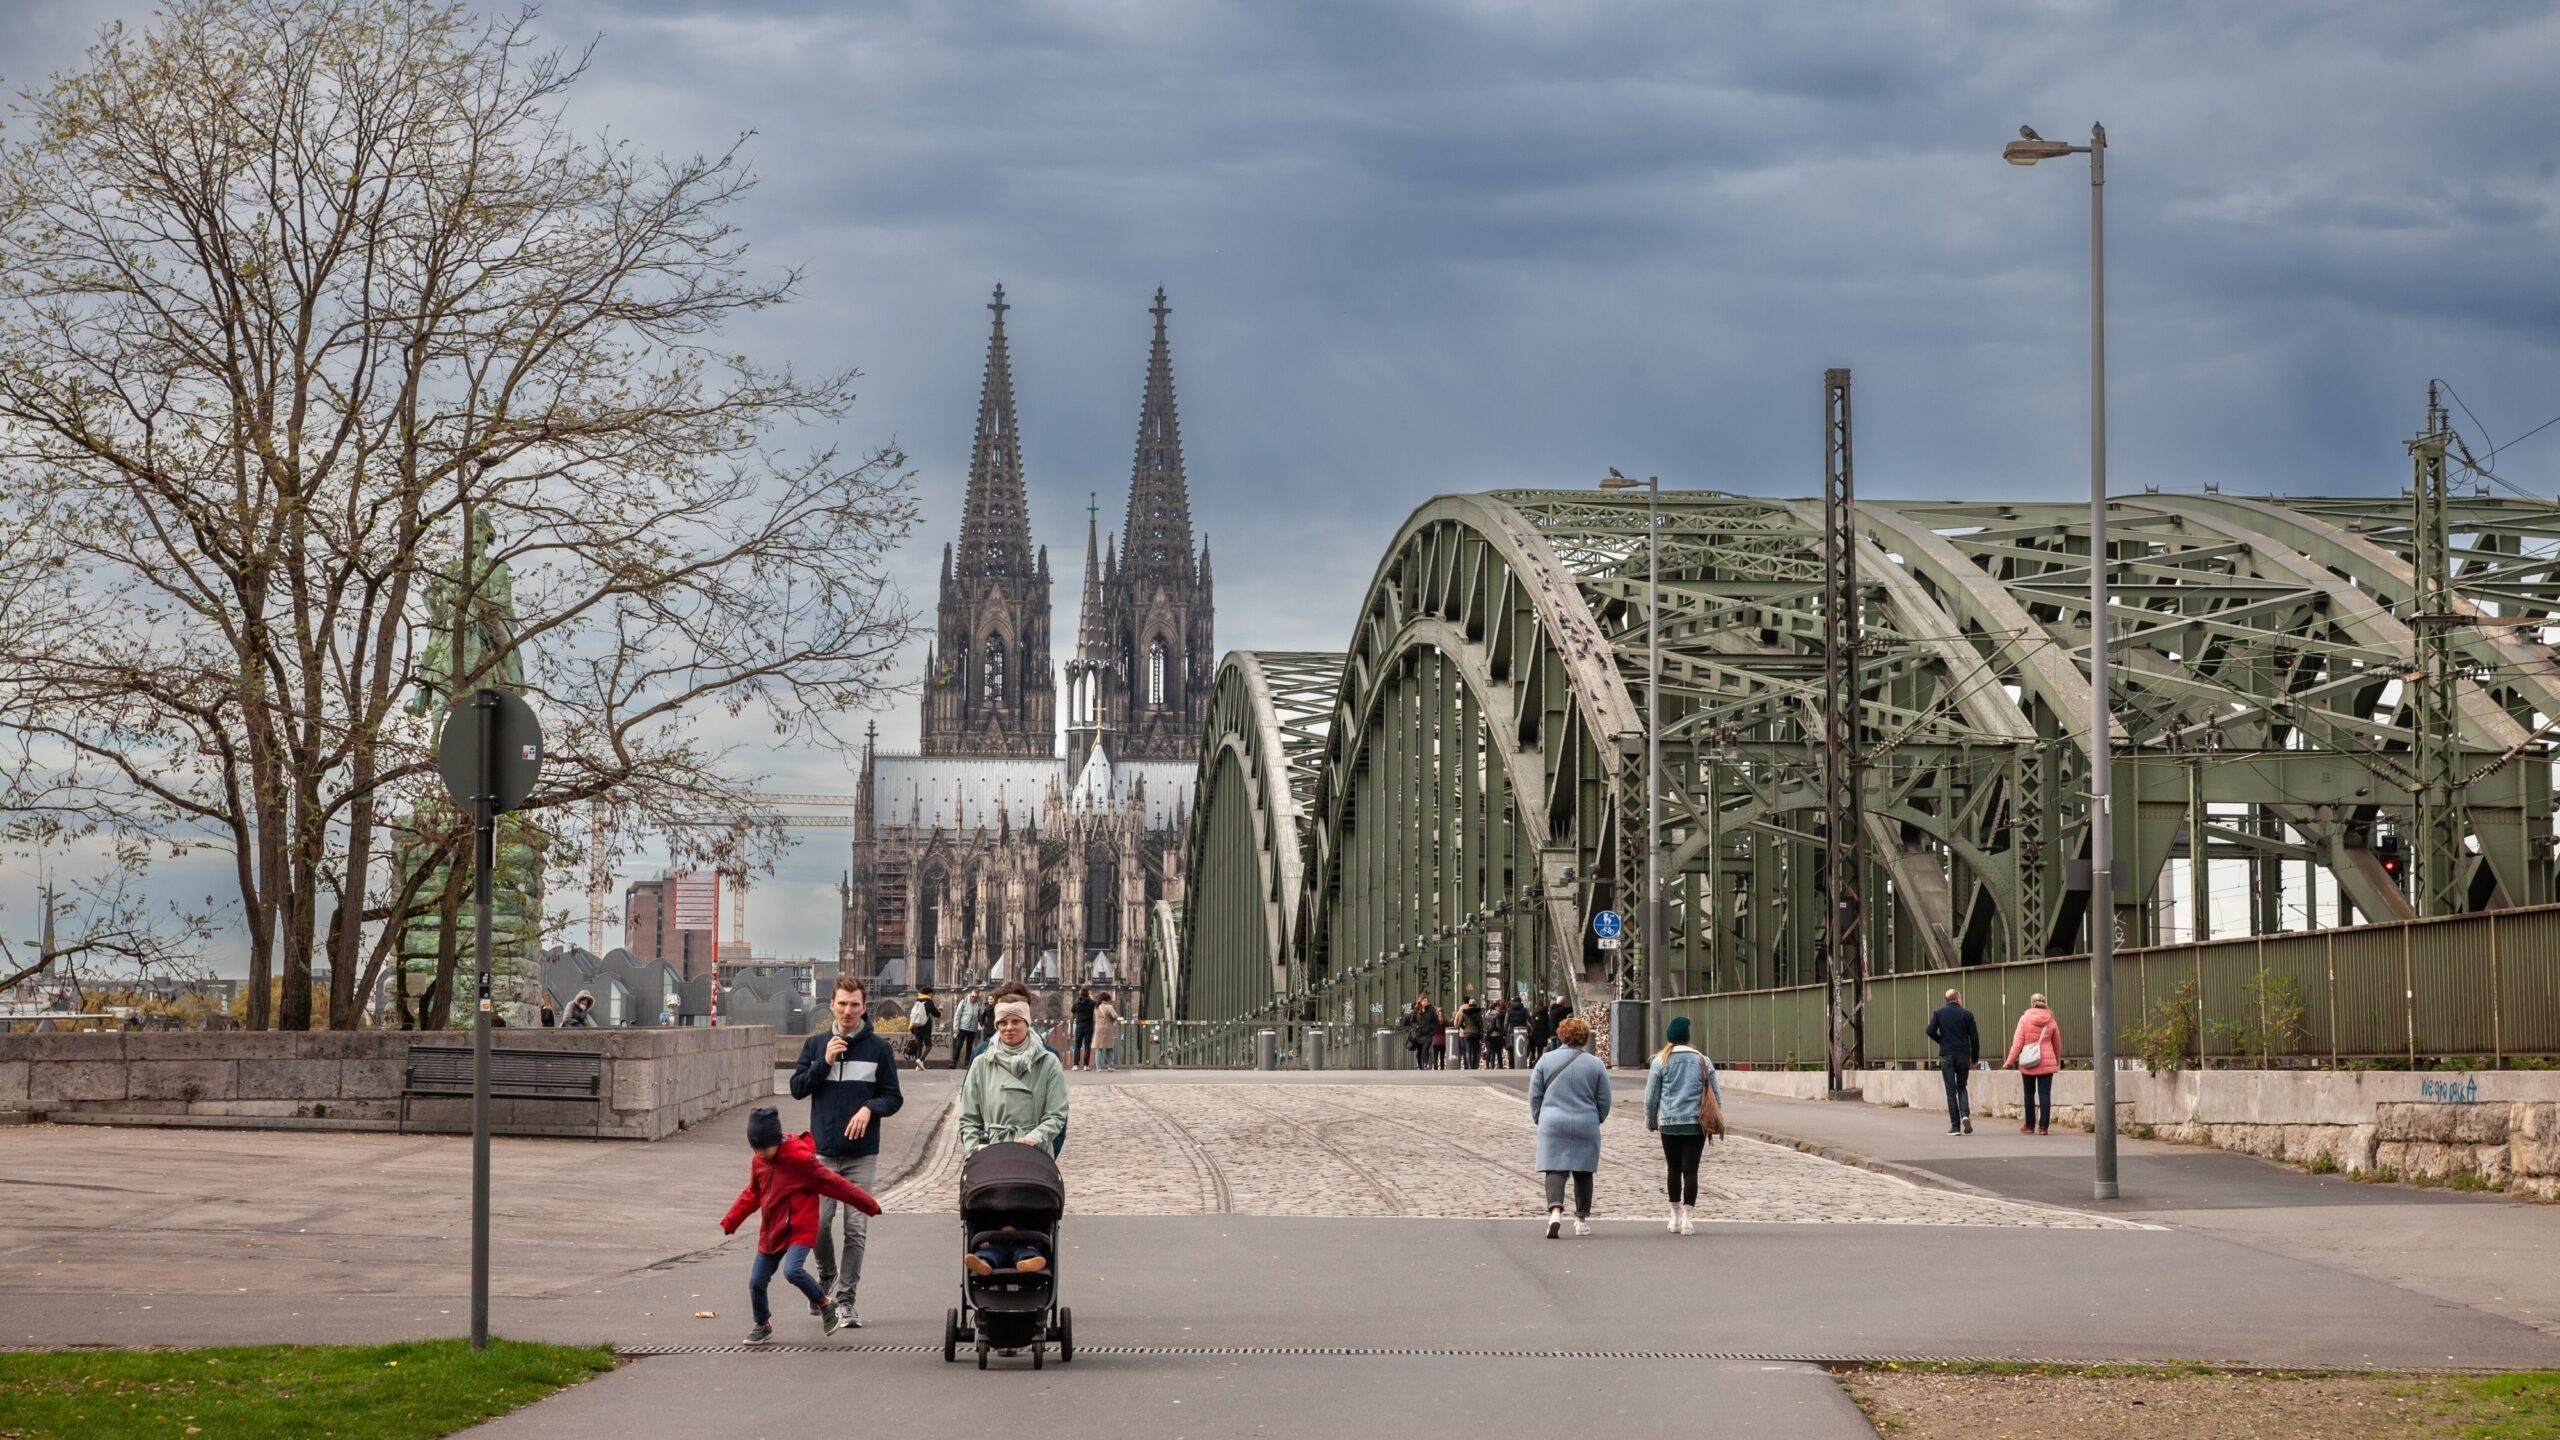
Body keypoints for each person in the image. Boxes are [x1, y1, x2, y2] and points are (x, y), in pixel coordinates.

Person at [789, 974, 904, 1330]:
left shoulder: (879, 1050)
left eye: (855, 1004)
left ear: (864, 1007)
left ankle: (846, 1300)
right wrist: (823, 1062)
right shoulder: (815, 1045)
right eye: (842, 1003)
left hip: (861, 1154)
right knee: (820, 1225)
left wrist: (870, 1108)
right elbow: (797, 1088)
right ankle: (827, 1274)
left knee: (855, 1228)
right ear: (832, 1006)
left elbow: (893, 1097)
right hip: (823, 1152)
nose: (848, 1010)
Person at [719, 1105, 880, 1345]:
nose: (760, 1153)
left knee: (792, 1271)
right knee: (756, 1282)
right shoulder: (759, 1161)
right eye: (756, 1148)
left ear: (776, 1139)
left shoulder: (800, 1159)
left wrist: (867, 1204)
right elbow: (752, 1193)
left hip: (799, 1229)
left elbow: (834, 1184)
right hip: (772, 1231)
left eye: (764, 1147)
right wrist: (732, 1219)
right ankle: (762, 1323)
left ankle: (826, 1304)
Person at [1528, 1016, 1611, 1237]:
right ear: (1584, 1037)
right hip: (1586, 1121)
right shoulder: (1596, 1064)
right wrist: (1597, 1119)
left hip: (1553, 1121)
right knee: (1583, 1171)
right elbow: (1604, 1099)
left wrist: (1540, 1118)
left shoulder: (1545, 1061)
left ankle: (1555, 1211)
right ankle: (1581, 1220)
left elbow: (1535, 1095)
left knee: (1555, 1168)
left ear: (1561, 1035)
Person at [959, 997, 1069, 1157]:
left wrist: (1035, 1139)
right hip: (991, 1153)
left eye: (1016, 1021)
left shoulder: (1048, 1061)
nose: (1009, 1028)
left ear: (1027, 1023)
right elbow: (968, 1118)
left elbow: (1057, 1114)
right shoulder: (981, 1063)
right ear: (996, 1026)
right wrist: (974, 1150)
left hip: (1034, 1152)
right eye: (1003, 1023)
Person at [1643, 1016, 1723, 1235]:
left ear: (1670, 1038)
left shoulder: (1660, 1061)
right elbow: (1716, 1095)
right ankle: (1688, 1219)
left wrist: (1651, 1121)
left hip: (1669, 1123)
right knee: (1691, 1171)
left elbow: (1651, 1097)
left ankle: (1674, 1216)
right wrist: (1715, 1118)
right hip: (1696, 1124)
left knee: (1673, 1168)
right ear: (1687, 1039)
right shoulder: (1702, 1060)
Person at [2004, 992, 2063, 1135]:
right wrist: (2056, 1061)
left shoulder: (2025, 1019)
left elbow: (2018, 1043)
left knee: (2029, 1094)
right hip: (2047, 1061)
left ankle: (2029, 1125)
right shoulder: (2051, 1020)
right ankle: (2044, 1127)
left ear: (2032, 1003)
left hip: (2028, 1061)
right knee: (2045, 1095)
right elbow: (2057, 1044)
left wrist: (2009, 1061)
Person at [1927, 988, 1981, 1135]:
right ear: (1958, 998)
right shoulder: (1967, 1014)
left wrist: (1942, 1041)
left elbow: (1929, 1031)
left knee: (1950, 1091)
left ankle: (1955, 1126)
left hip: (1946, 1055)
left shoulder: (1939, 1013)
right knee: (1962, 1086)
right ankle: (1965, 1115)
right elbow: (1974, 1039)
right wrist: (1974, 1059)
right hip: (1963, 1055)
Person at [949, 989, 984, 1070]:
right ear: (969, 995)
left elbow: (980, 1016)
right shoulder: (963, 1002)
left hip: (972, 1029)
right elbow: (957, 1015)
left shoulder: (978, 1004)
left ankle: (967, 1063)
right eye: (972, 996)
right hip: (962, 1028)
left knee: (969, 1047)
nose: (973, 998)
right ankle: (954, 1062)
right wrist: (956, 1027)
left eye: (975, 997)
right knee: (958, 1045)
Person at [1402, 994, 1436, 1071]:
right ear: (1420, 1001)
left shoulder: (1431, 1010)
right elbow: (1412, 1021)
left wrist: (1432, 1028)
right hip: (1419, 1034)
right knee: (1420, 1051)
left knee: (1426, 1049)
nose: (1426, 1002)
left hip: (1428, 1034)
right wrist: (1416, 1026)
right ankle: (1420, 1065)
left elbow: (1435, 1021)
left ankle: (1425, 1064)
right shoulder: (1416, 1011)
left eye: (1427, 1000)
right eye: (1424, 1000)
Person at [906, 989, 940, 1067]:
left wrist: (912, 1029)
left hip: (916, 1027)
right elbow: (937, 1014)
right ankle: (920, 1060)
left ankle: (918, 1066)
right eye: (932, 994)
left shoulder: (917, 1001)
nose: (932, 996)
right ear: (929, 993)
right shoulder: (929, 1002)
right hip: (925, 1027)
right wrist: (940, 1009)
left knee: (919, 1046)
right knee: (929, 1045)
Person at [1071, 988, 1098, 1071]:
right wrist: (1091, 997)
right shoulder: (1091, 1003)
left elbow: (1073, 1010)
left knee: (1077, 1046)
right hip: (1088, 1027)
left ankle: (1076, 1065)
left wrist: (1078, 999)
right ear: (1088, 994)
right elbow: (1096, 1004)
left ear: (1080, 994)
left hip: (1079, 1026)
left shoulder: (1077, 1002)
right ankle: (1086, 1065)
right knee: (1087, 1047)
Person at [1483, 993, 1512, 1069]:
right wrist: (1502, 1033)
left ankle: (1488, 1065)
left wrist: (1486, 1033)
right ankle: (1500, 1066)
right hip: (1496, 1035)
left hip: (1488, 1036)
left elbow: (1485, 1025)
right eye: (1498, 1006)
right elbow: (1498, 1025)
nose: (1499, 1008)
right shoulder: (1497, 1015)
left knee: (1490, 1051)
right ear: (1495, 1007)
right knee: (1498, 1052)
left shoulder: (1487, 1014)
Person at [1092, 992, 1120, 1071]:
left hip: (1099, 1029)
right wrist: (1111, 1019)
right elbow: (1115, 1016)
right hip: (1108, 1028)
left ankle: (1098, 1068)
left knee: (1098, 1049)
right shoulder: (1109, 1007)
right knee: (1109, 1048)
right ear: (1107, 999)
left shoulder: (1097, 1007)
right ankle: (1110, 1066)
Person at [1457, 992, 1484, 1070]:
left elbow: (1459, 1024)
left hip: (1467, 1033)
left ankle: (1468, 1065)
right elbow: (1481, 1025)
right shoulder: (1479, 1012)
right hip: (1476, 1033)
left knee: (1468, 1050)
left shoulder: (1464, 1012)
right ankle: (1473, 1065)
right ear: (1476, 1004)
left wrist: (1465, 1027)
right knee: (1475, 1050)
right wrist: (1480, 1031)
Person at [1507, 994, 1532, 1065]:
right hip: (1522, 1032)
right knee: (1522, 1046)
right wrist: (1533, 1026)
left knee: (1511, 1048)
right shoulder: (1524, 1010)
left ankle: (1512, 1064)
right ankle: (1521, 1062)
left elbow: (1506, 1022)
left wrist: (1505, 1031)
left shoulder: (1509, 1011)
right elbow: (1530, 1019)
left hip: (1512, 1031)